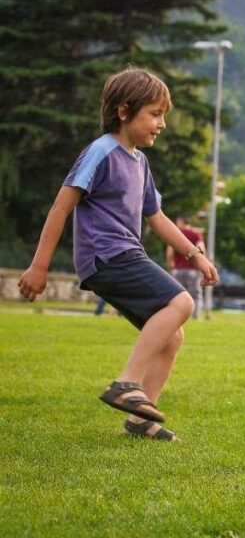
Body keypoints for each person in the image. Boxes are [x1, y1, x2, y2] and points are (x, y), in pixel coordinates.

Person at [18, 67, 219, 442]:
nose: (161, 124)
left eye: (164, 116)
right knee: (182, 302)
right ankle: (127, 383)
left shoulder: (140, 162)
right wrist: (39, 266)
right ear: (125, 111)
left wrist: (195, 254)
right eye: (155, 114)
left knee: (172, 336)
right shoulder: (101, 151)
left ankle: (140, 421)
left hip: (125, 253)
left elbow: (156, 218)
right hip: (108, 254)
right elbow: (61, 207)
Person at [166, 215, 204, 319]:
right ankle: (195, 317)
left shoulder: (176, 233)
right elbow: (201, 249)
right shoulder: (196, 234)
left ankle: (176, 316)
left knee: (176, 294)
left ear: (181, 222)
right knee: (195, 294)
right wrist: (190, 257)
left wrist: (171, 265)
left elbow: (170, 253)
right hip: (193, 270)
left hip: (178, 270)